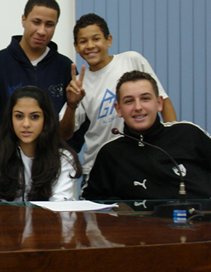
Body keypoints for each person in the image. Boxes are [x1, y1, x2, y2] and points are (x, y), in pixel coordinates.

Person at [82, 71, 211, 200]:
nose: (138, 107)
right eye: (129, 101)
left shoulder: (187, 133)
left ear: (159, 103)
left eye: (145, 98)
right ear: (118, 109)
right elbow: (92, 200)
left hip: (207, 232)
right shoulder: (110, 153)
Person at [59, 13, 177, 176]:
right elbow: (64, 134)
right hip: (100, 168)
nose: (90, 45)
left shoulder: (131, 60)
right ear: (76, 47)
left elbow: (162, 100)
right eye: (83, 41)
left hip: (143, 161)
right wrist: (72, 104)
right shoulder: (80, 84)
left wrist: (174, 143)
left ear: (109, 40)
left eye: (96, 38)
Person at [0, 0, 79, 150]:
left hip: (53, 163)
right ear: (23, 19)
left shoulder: (66, 67)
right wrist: (13, 152)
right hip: (8, 161)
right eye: (36, 22)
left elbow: (77, 124)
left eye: (49, 24)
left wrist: (58, 152)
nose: (42, 31)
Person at [0, 86, 81, 202]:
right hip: (4, 220)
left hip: (47, 220)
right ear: (10, 119)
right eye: (19, 116)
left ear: (46, 119)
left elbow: (60, 208)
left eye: (35, 117)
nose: (26, 124)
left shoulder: (63, 159)